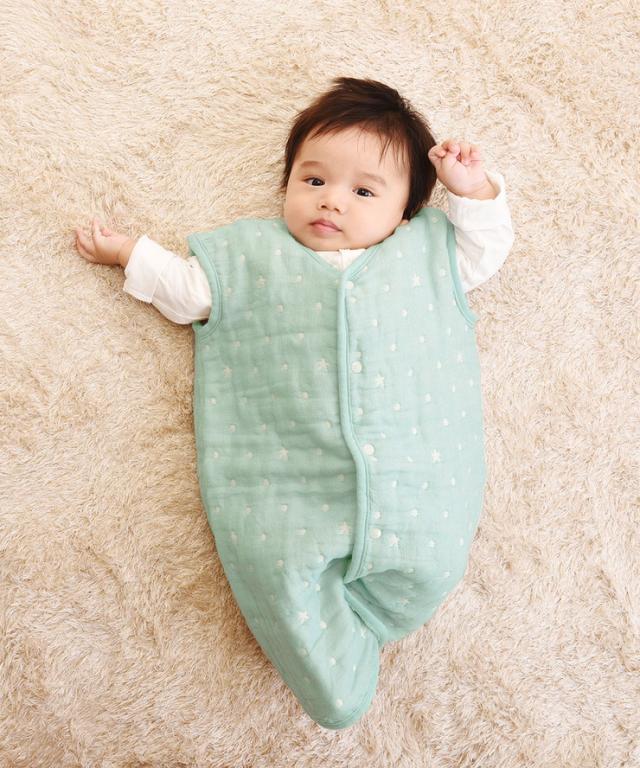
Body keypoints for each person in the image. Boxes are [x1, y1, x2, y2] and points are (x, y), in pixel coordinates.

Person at [75, 77, 514, 729]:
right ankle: (333, 680)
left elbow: (486, 247)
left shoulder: (429, 253)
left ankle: (383, 614)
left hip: (418, 478)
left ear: (405, 211)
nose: (331, 199)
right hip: (288, 485)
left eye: (363, 192)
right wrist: (128, 252)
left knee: (432, 558)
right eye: (313, 180)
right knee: (276, 566)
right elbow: (188, 291)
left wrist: (471, 190)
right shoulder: (249, 257)